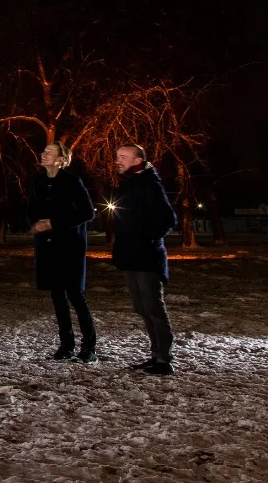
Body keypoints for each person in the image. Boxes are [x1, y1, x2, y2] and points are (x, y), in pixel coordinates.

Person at [111, 143, 178, 375]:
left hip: (147, 257)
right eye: (117, 156)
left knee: (153, 308)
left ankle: (164, 359)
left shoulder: (149, 184)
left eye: (123, 157)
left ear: (138, 161)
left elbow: (168, 219)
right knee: (142, 307)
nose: (118, 160)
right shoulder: (128, 183)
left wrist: (146, 239)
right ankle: (155, 354)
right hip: (132, 256)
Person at [26, 142, 97, 362]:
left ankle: (89, 347)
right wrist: (35, 224)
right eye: (43, 150)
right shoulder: (37, 181)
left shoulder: (72, 182)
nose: (43, 153)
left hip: (70, 246)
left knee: (75, 295)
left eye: (49, 152)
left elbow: (87, 212)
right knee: (57, 296)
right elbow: (29, 207)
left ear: (61, 159)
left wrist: (54, 223)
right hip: (47, 247)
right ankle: (66, 345)